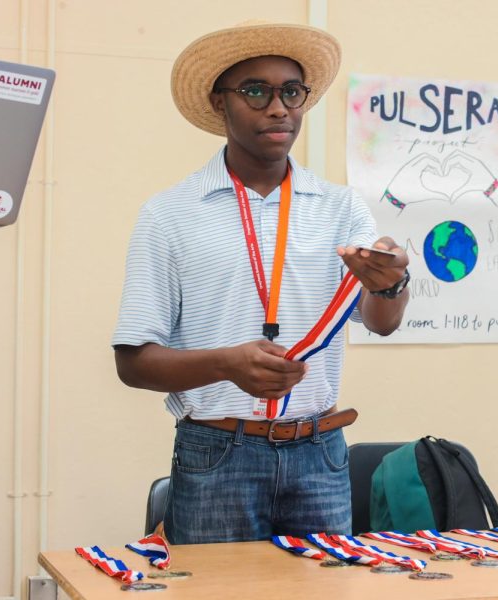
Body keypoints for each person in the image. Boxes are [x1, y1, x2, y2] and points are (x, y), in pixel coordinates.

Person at [112, 22, 410, 544]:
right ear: (219, 102)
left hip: (320, 450)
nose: (279, 109)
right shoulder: (169, 214)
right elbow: (132, 363)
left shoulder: (339, 208)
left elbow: (383, 323)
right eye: (256, 91)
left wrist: (390, 285)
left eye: (292, 92)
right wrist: (226, 364)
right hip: (217, 449)